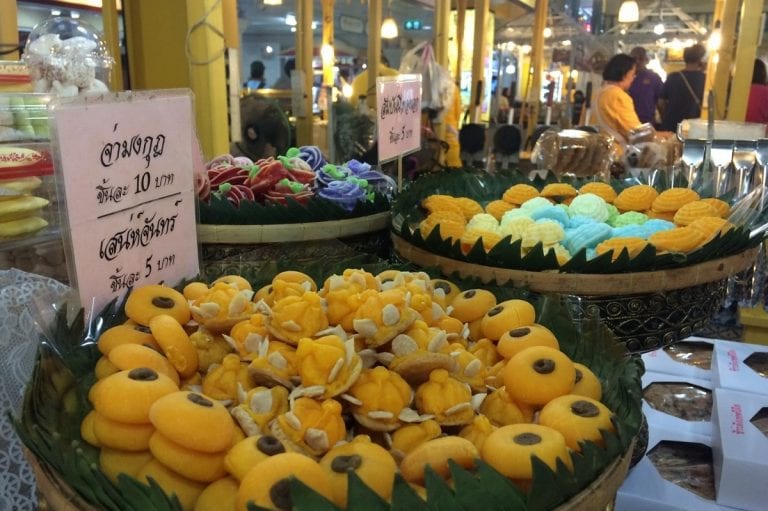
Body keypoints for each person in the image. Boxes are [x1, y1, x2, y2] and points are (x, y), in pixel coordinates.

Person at [593, 53, 643, 149]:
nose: (634, 77)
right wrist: (662, 136)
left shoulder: (595, 94)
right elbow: (636, 132)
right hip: (613, 153)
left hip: (593, 151)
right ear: (625, 75)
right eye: (633, 73)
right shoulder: (618, 96)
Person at [657, 44, 706, 132]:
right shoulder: (705, 79)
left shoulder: (673, 77)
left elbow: (660, 102)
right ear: (700, 60)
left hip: (670, 125)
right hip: (693, 128)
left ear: (684, 59)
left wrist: (665, 117)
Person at [628, 46, 664, 125]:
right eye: (634, 59)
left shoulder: (654, 78)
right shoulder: (624, 77)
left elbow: (661, 102)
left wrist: (664, 121)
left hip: (647, 122)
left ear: (646, 60)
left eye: (640, 58)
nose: (637, 61)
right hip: (627, 121)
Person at [746, 58, 768, 124]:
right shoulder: (766, 92)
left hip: (739, 129)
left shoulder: (741, 90)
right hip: (761, 131)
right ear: (763, 73)